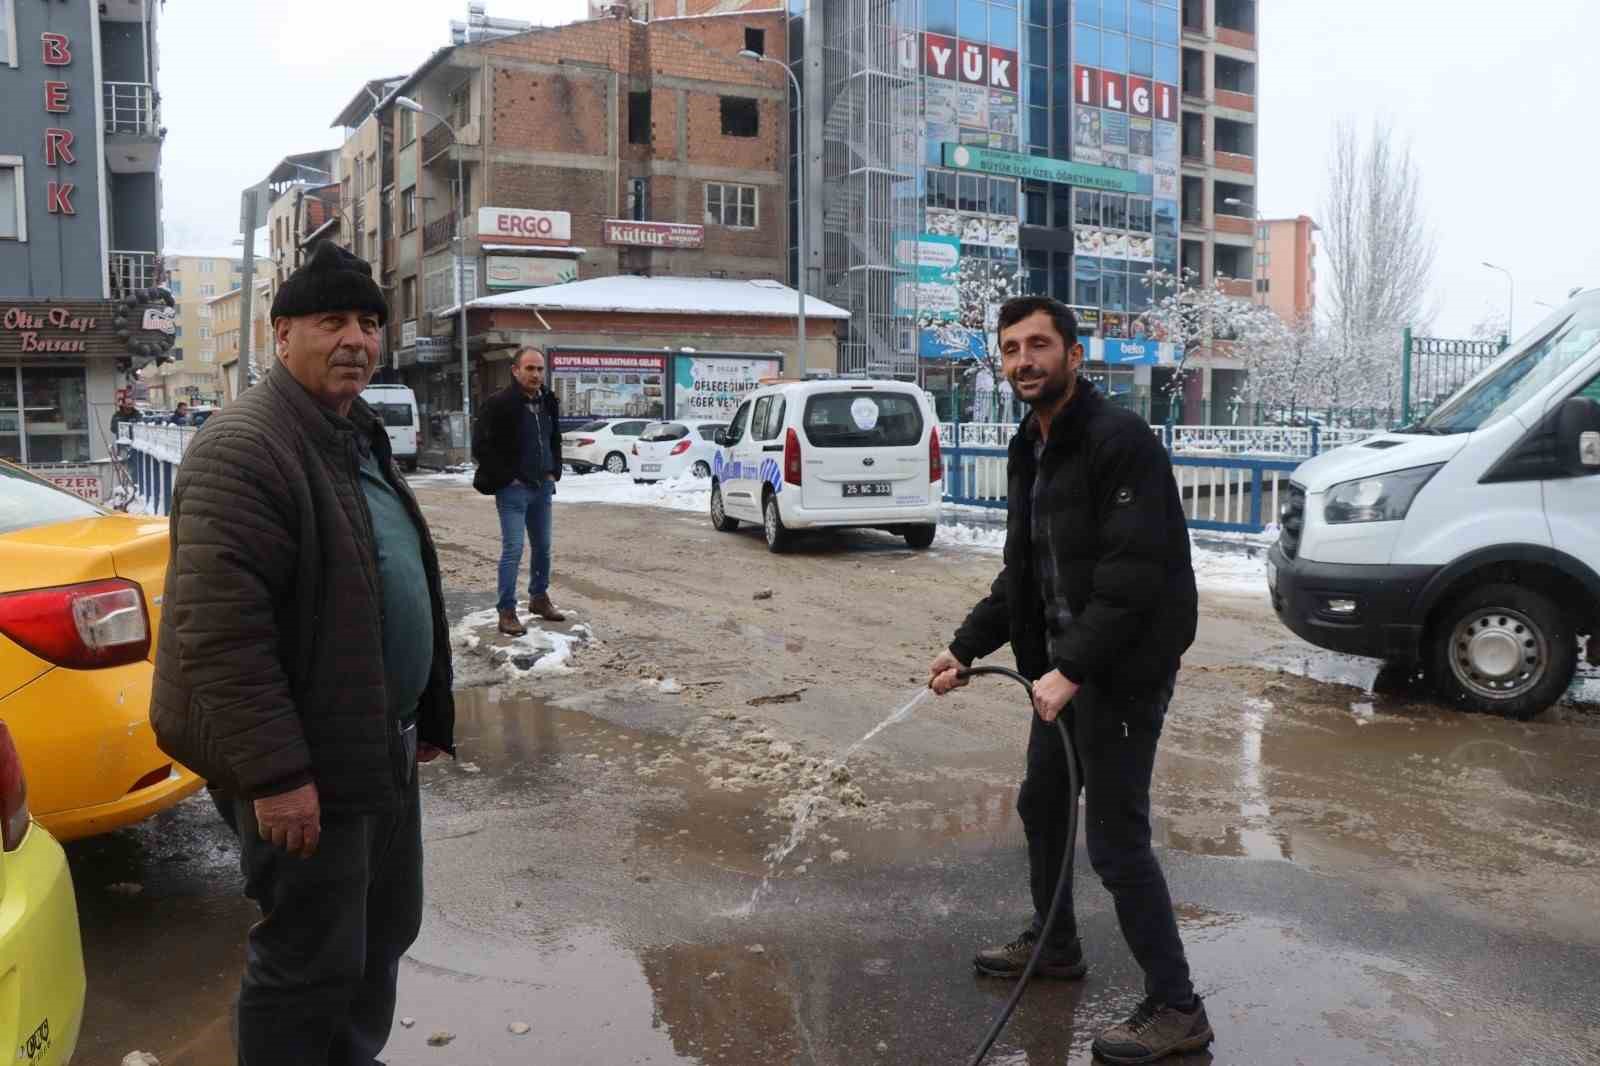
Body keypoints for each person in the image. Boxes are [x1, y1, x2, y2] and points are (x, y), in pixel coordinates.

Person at [150, 241, 456, 1066]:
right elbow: (220, 636)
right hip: (302, 762)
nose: (355, 338)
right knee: (309, 959)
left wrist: (422, 709)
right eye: (332, 321)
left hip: (372, 742)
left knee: (384, 930)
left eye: (368, 322)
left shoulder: (353, 432)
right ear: (280, 332)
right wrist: (278, 780)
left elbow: (390, 573)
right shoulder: (245, 446)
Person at [927, 295, 1211, 1063]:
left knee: (1117, 843)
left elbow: (1133, 578)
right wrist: (967, 646)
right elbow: (1023, 571)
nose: (1024, 360)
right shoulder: (1031, 444)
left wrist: (1074, 669)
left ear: (1074, 356)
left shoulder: (1121, 443)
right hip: (1061, 672)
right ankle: (1055, 947)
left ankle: (1178, 1005)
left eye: (1039, 345)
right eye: (1012, 348)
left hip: (1120, 672)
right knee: (1042, 804)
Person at [472, 345, 566, 635]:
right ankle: (507, 610)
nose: (536, 374)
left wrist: (553, 471)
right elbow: (480, 447)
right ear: (515, 371)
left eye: (539, 369)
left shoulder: (548, 400)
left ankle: (539, 598)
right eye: (529, 368)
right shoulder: (498, 403)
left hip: (542, 486)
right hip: (513, 489)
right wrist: (506, 478)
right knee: (513, 549)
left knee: (544, 548)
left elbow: (554, 439)